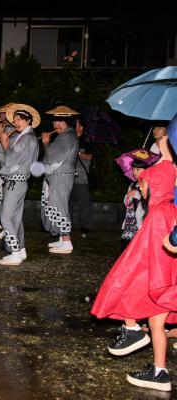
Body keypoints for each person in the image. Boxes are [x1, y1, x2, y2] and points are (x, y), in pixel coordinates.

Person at [91, 136, 177, 392]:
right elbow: (168, 167)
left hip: (159, 281)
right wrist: (164, 149)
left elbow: (140, 263)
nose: (141, 188)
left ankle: (132, 330)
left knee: (123, 281)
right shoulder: (172, 209)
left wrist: (129, 317)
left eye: (143, 184)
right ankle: (160, 372)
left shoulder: (159, 213)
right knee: (157, 324)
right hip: (169, 282)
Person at [0, 104, 39, 266]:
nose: (16, 123)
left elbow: (11, 159)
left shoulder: (27, 138)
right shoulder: (27, 137)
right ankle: (20, 250)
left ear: (28, 120)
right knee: (15, 218)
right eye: (14, 121)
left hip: (16, 181)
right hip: (19, 181)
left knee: (6, 217)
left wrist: (5, 143)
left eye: (19, 120)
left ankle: (14, 252)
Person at [41, 106, 79, 254]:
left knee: (60, 207)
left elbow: (52, 157)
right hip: (60, 176)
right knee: (56, 206)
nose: (56, 125)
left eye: (60, 122)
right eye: (55, 122)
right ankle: (61, 239)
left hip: (61, 176)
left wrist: (45, 143)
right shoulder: (66, 136)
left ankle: (67, 242)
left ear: (67, 123)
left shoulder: (67, 136)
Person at [0, 103, 15, 240]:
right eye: (0, 114)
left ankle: (7, 226)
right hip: (2, 165)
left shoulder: (13, 129)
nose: (2, 116)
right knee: (0, 194)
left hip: (10, 166)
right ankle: (3, 223)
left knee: (7, 195)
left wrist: (1, 135)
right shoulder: (3, 128)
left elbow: (10, 149)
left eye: (4, 113)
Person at [70, 118, 93, 237]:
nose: (74, 126)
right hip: (68, 177)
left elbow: (89, 156)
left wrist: (78, 153)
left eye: (77, 124)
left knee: (83, 203)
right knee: (68, 203)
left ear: (82, 127)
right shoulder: (70, 139)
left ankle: (85, 228)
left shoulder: (87, 140)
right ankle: (67, 227)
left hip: (81, 177)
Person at [120, 160, 147, 250]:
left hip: (140, 222)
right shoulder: (133, 184)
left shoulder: (148, 184)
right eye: (133, 169)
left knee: (138, 249)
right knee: (126, 248)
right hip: (129, 223)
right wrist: (128, 197)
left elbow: (147, 201)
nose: (134, 172)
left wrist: (137, 193)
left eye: (138, 169)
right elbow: (126, 203)